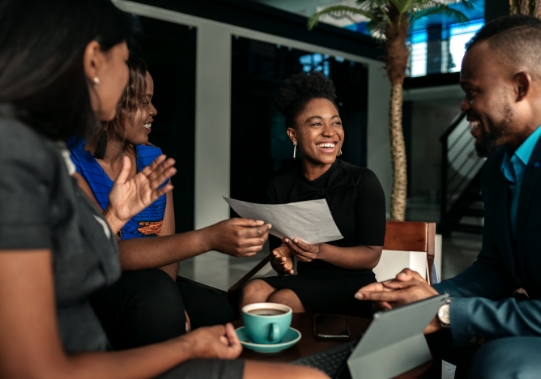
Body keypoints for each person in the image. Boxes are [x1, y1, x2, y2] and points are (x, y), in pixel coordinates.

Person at [0, 1, 327, 378]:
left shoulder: (43, 151)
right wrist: (183, 345)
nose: (150, 106)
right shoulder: (20, 160)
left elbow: (70, 267)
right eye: (124, 64)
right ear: (94, 62)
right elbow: (41, 368)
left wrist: (114, 217)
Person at [355, 15, 541, 379]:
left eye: (473, 93)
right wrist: (423, 297)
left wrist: (444, 313)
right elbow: (494, 269)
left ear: (520, 87)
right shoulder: (497, 169)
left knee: (500, 363)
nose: (463, 106)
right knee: (401, 333)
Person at [69, 54, 245, 349]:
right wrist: (207, 238)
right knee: (156, 298)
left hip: (153, 283)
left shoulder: (152, 159)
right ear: (113, 101)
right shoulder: (70, 165)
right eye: (143, 101)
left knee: (217, 309)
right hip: (94, 284)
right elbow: (107, 252)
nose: (154, 110)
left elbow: (167, 248)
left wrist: (173, 299)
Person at [241, 72, 386, 317]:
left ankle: (292, 356)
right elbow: (282, 254)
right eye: (316, 124)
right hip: (308, 282)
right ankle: (258, 355)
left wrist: (321, 251)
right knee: (253, 290)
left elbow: (371, 256)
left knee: (283, 299)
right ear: (293, 134)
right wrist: (282, 260)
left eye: (336, 122)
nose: (330, 132)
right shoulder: (280, 187)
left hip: (353, 285)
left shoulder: (362, 180)